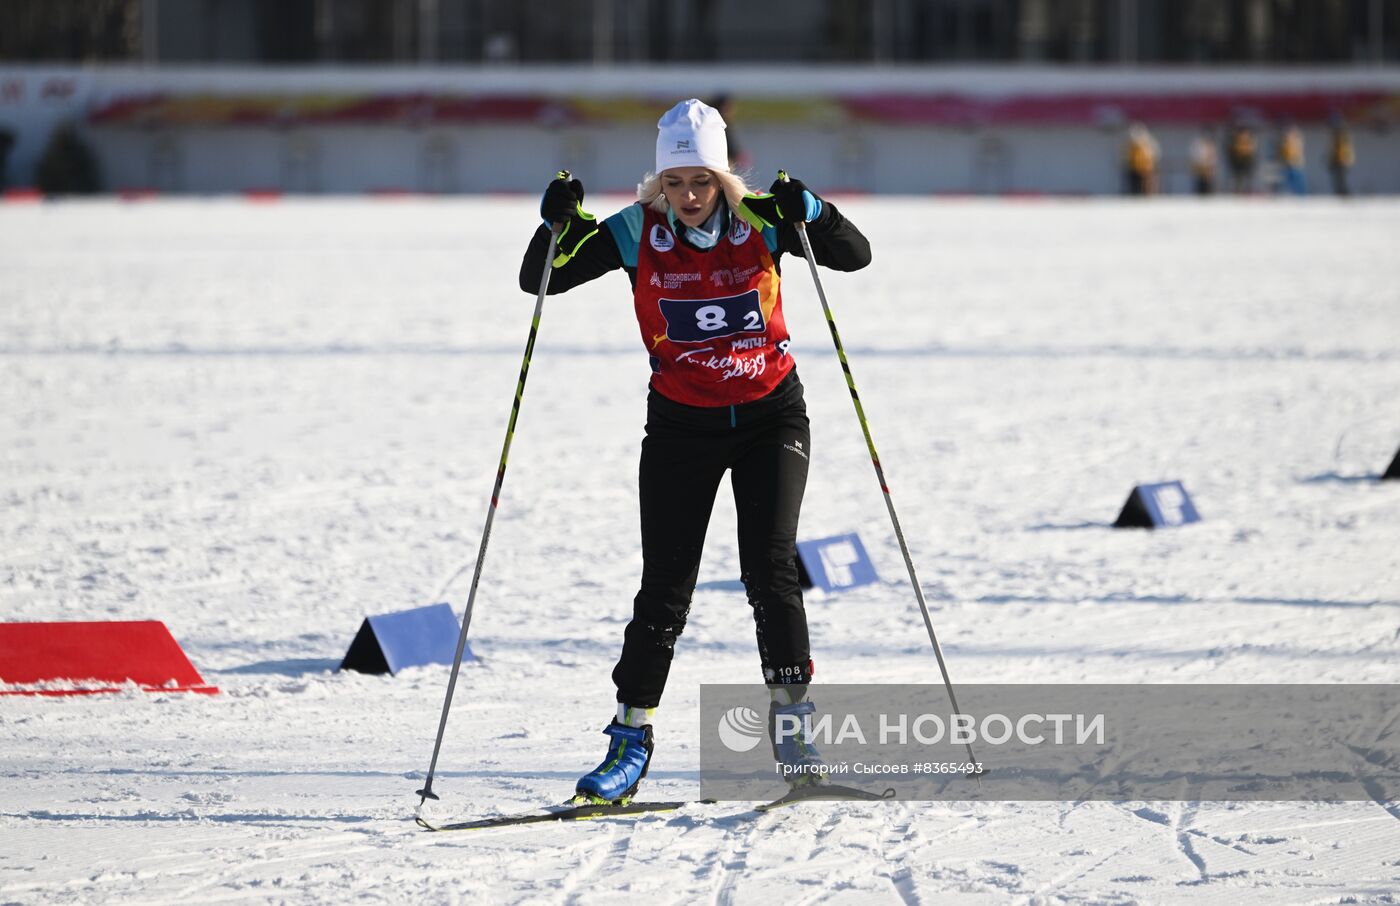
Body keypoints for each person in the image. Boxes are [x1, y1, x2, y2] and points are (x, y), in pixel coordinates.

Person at [518, 98, 872, 804]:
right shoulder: (633, 229)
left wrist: (815, 210)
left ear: (723, 177)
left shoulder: (766, 216)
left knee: (771, 570)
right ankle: (630, 739)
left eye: (701, 182)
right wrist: (553, 223)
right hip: (682, 425)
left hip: (772, 415)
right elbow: (543, 279)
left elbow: (854, 256)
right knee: (665, 587)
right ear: (659, 182)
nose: (687, 197)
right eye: (674, 183)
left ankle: (795, 728)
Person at [1122, 122, 1159, 196]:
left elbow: (1153, 155)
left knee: (1146, 186)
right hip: (1133, 168)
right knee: (1134, 186)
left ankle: (1147, 197)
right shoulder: (1130, 145)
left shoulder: (1148, 144)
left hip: (1145, 169)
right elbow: (1126, 156)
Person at [1226, 121, 1257, 195]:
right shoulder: (1235, 140)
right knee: (1238, 177)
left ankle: (1248, 190)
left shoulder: (1250, 140)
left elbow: (1252, 150)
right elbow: (1233, 150)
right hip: (1238, 161)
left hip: (1247, 161)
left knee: (1248, 176)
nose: (1245, 135)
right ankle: (1238, 191)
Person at [1277, 121, 1306, 196]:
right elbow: (1284, 153)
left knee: (1298, 181)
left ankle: (1301, 196)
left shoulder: (1296, 140)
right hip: (1288, 164)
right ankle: (1292, 194)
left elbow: (1298, 153)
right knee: (1289, 181)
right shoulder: (1286, 142)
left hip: (1295, 164)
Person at [1328, 117, 1355, 197]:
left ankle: (1344, 195)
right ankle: (1341, 194)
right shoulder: (1337, 135)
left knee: (1341, 179)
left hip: (1341, 161)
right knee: (1338, 180)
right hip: (1338, 161)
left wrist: (1344, 159)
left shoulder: (1342, 135)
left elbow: (1343, 149)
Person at [1188, 126, 1218, 196]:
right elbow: (1193, 161)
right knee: (1199, 195)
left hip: (1209, 176)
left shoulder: (1212, 145)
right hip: (1199, 175)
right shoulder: (1197, 145)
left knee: (1209, 195)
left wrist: (1209, 170)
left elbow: (1213, 162)